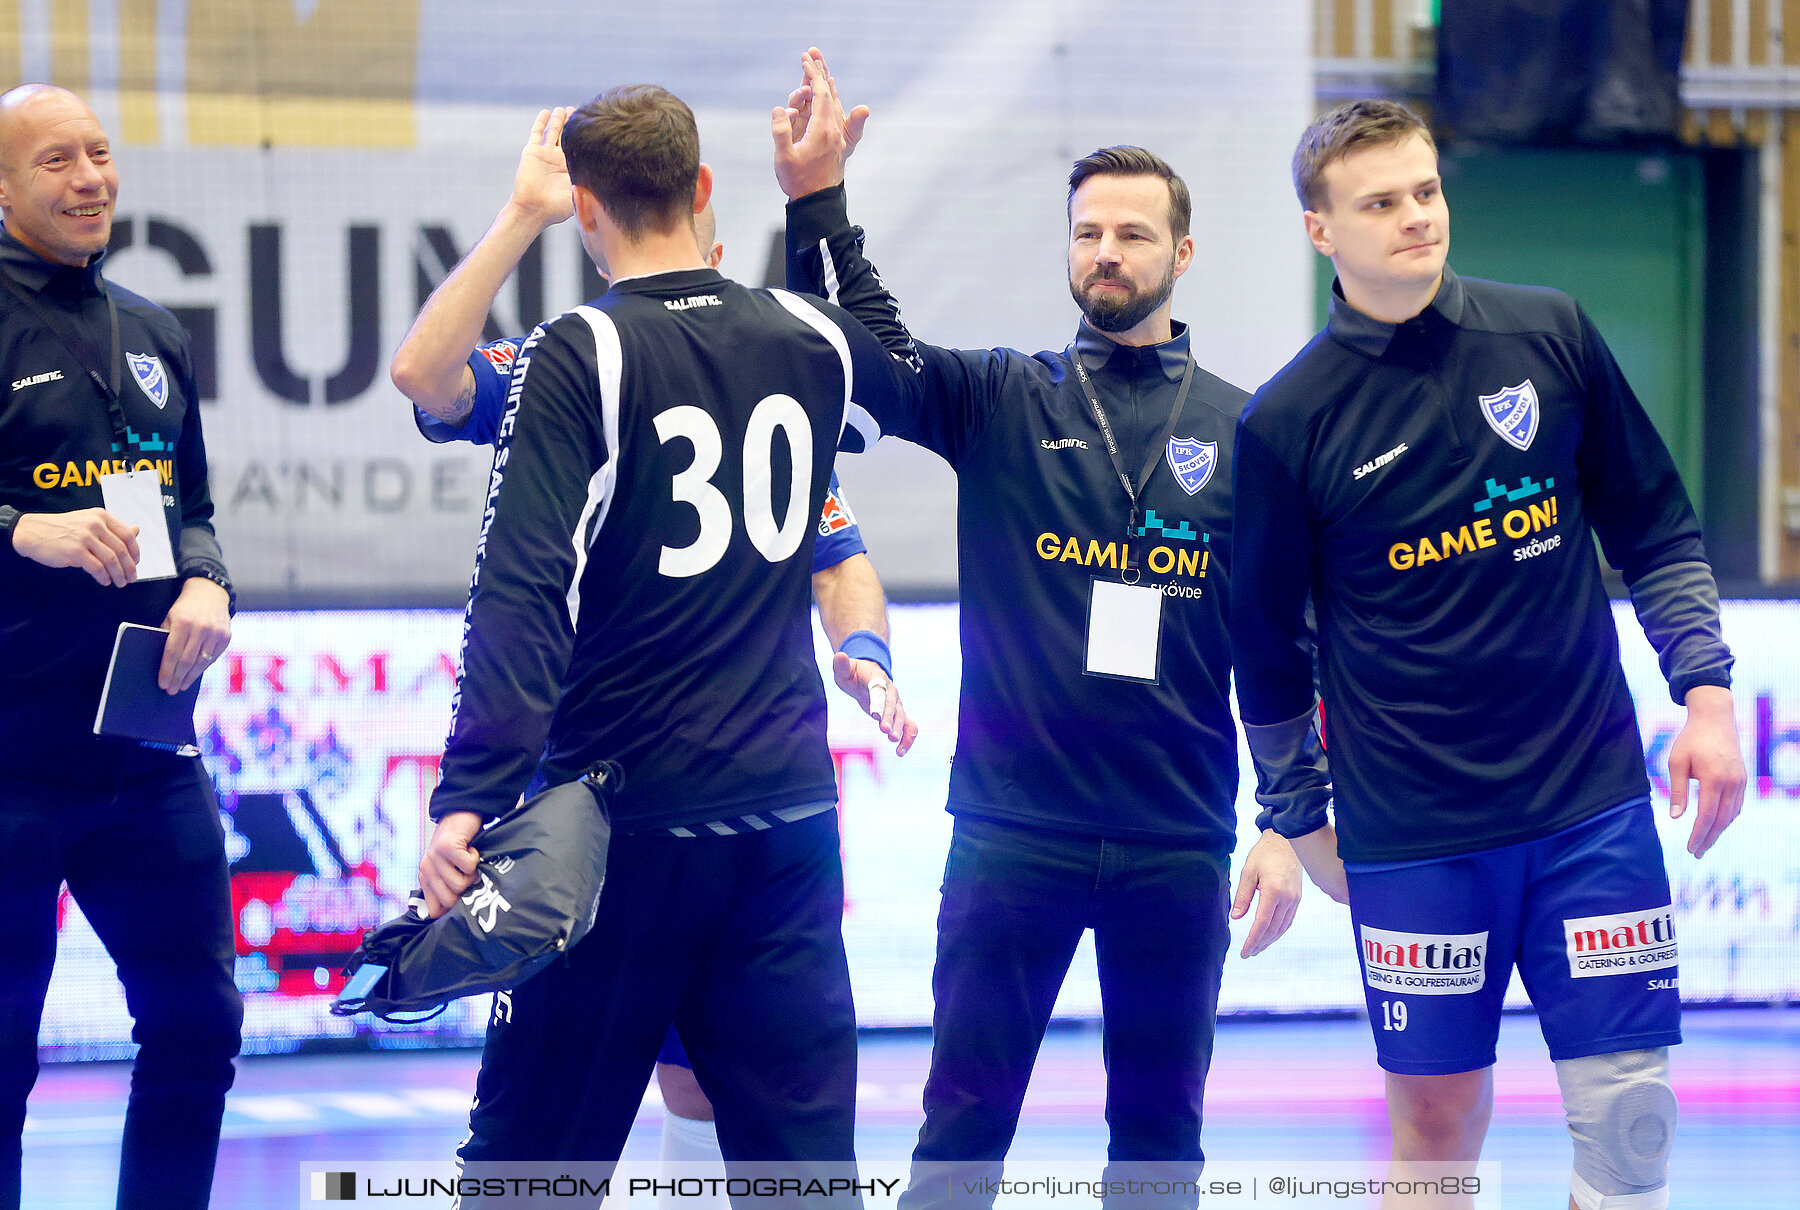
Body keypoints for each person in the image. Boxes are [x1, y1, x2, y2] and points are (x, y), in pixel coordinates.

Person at [772, 50, 1303, 1208]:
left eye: (1131, 233)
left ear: (1182, 253)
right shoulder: (1005, 398)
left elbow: (1285, 647)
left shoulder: (1251, 432)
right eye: (1087, 234)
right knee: (961, 1131)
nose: (1106, 252)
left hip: (1175, 841)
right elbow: (871, 345)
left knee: (1161, 1144)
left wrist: (1288, 819)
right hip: (1015, 831)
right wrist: (820, 200)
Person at [388, 106, 915, 1194]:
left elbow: (521, 593)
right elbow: (895, 369)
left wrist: (469, 794)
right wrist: (820, 196)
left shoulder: (576, 350)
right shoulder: (801, 339)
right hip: (785, 826)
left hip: (618, 826)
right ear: (703, 188)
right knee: (805, 1170)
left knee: (527, 1166)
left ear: (583, 208)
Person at [1230, 99, 1746, 1210]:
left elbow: (1655, 527)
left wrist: (1705, 697)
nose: (1416, 217)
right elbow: (1266, 651)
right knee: (1436, 1137)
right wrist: (1298, 815)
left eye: (1426, 190)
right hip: (1416, 836)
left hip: (1590, 810)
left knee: (1633, 1128)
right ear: (1321, 229)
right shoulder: (1285, 423)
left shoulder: (1549, 333)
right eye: (1380, 202)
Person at [0, 84, 241, 1210]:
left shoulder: (150, 329)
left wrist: (208, 576)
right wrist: (18, 527)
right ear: (3, 186)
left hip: (144, 756)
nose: (90, 176)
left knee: (200, 1025)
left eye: (99, 153)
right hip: (10, 771)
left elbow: (189, 497)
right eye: (57, 160)